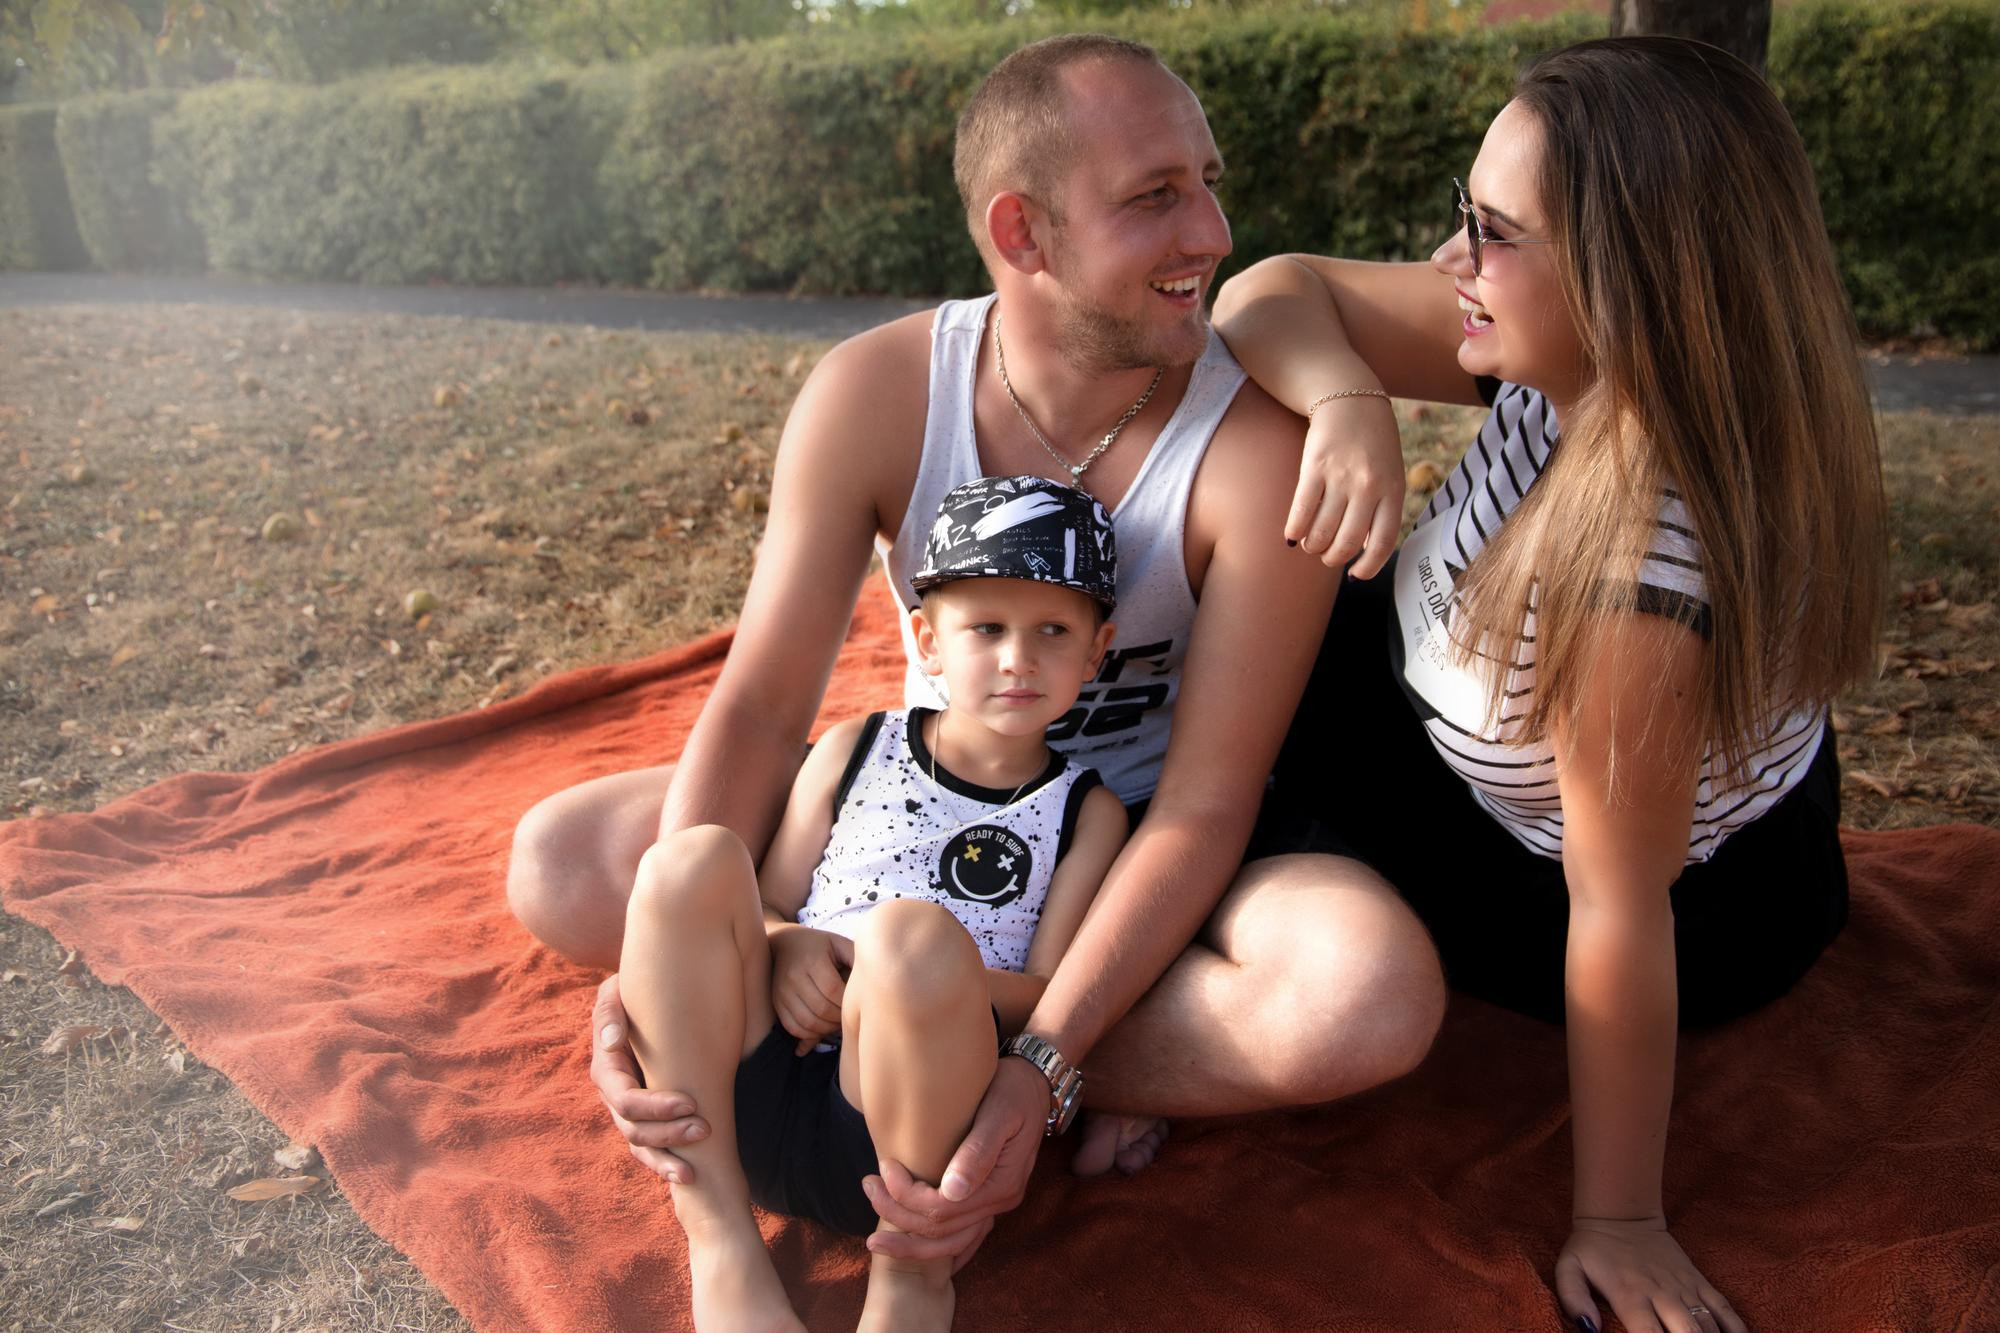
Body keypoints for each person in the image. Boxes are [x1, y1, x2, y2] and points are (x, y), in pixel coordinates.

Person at [507, 31, 1445, 1270]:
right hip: (911, 810)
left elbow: (1208, 805)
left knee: (1365, 997)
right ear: (1022, 233)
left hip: (1128, 852)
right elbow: (763, 701)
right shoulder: (879, 389)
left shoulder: (1253, 443)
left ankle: (937, 1043)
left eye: (1208, 181)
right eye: (1155, 196)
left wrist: (1051, 1060)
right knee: (564, 864)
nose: (1212, 231)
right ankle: (891, 1015)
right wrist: (676, 949)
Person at [1212, 35, 1883, 1333]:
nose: (1453, 259)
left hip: (1590, 884)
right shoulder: (1610, 360)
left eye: (1493, 233)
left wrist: (1620, 1220)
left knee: (1186, 672)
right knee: (1252, 467)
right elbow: (1272, 295)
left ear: (1627, 280)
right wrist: (1350, 397)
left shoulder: (1638, 582)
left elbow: (1619, 912)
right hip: (1655, 783)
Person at [622, 475, 1129, 1332]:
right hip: (750, 1097)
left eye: (1053, 631)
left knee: (911, 933)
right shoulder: (859, 745)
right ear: (928, 639)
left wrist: (876, 965)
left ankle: (911, 1284)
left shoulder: (1086, 811)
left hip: (901, 1141)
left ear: (1097, 649)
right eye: (987, 628)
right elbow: (773, 901)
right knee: (690, 859)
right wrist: (791, 945)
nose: (1018, 657)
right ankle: (718, 1242)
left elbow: (1049, 989)